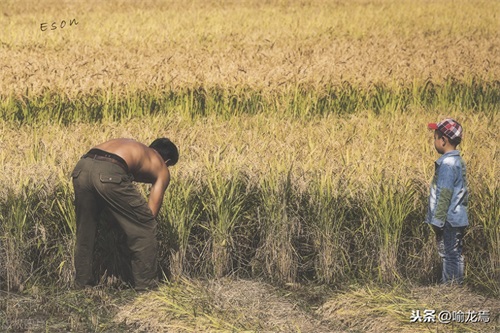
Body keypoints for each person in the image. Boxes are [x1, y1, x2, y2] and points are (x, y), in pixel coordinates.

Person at [71, 138, 179, 290]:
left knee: (85, 230)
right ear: (167, 160)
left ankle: (82, 285)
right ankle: (146, 287)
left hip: (82, 167)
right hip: (109, 171)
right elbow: (150, 215)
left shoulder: (136, 147)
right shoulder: (162, 166)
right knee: (145, 227)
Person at [426, 119, 468, 284]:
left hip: (448, 218)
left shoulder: (448, 164)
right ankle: (455, 285)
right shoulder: (457, 161)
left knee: (449, 254)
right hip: (457, 216)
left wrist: (437, 220)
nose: (434, 141)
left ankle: (451, 287)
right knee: (454, 253)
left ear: (443, 140)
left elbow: (445, 194)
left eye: (435, 137)